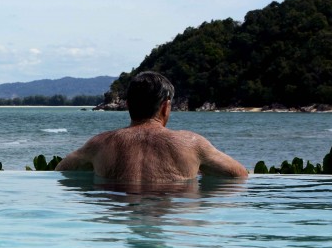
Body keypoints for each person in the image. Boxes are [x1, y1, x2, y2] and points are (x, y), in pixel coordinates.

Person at [57, 71, 248, 181]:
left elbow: (61, 171)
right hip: (169, 214)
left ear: (128, 106)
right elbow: (240, 175)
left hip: (120, 214)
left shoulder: (99, 144)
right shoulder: (192, 144)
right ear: (166, 107)